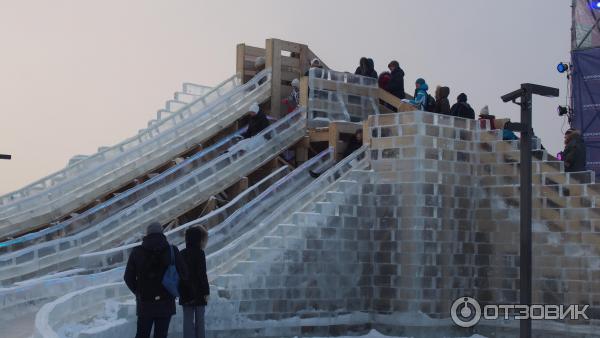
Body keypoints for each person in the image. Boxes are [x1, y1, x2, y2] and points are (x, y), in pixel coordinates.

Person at [124, 222, 188, 338]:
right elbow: (184, 273)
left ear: (147, 234)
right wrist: (174, 289)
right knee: (161, 335)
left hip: (145, 302)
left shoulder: (137, 252)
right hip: (166, 301)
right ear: (162, 233)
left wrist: (138, 291)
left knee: (142, 334)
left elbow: (128, 277)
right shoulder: (172, 250)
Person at [179, 226, 210, 338]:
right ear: (198, 239)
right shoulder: (200, 253)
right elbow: (202, 274)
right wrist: (206, 291)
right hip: (199, 291)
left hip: (185, 291)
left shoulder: (181, 253)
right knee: (200, 321)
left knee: (187, 321)